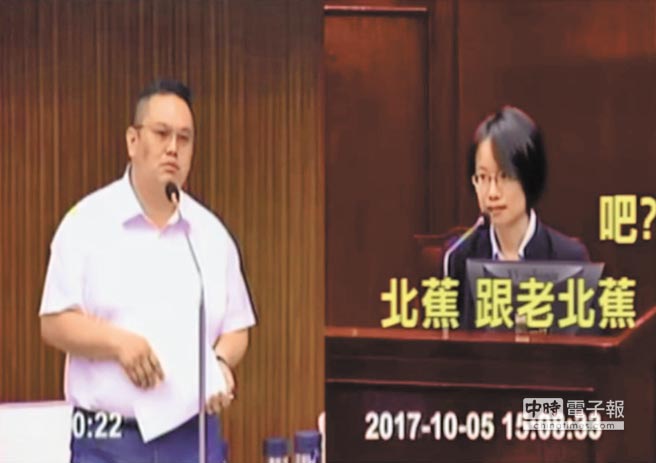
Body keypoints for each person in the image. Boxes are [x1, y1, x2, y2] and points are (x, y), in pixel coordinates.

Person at [39, 79, 256, 463]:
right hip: (107, 437)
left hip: (193, 436)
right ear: (133, 140)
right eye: (161, 134)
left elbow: (237, 326)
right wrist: (118, 344)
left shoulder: (210, 235)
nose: (173, 148)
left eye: (184, 138)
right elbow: (54, 323)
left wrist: (220, 363)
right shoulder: (86, 223)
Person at [443, 106, 589, 330]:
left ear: (529, 176)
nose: (492, 193)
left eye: (505, 176)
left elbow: (583, 347)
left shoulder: (569, 258)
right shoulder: (459, 258)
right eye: (483, 177)